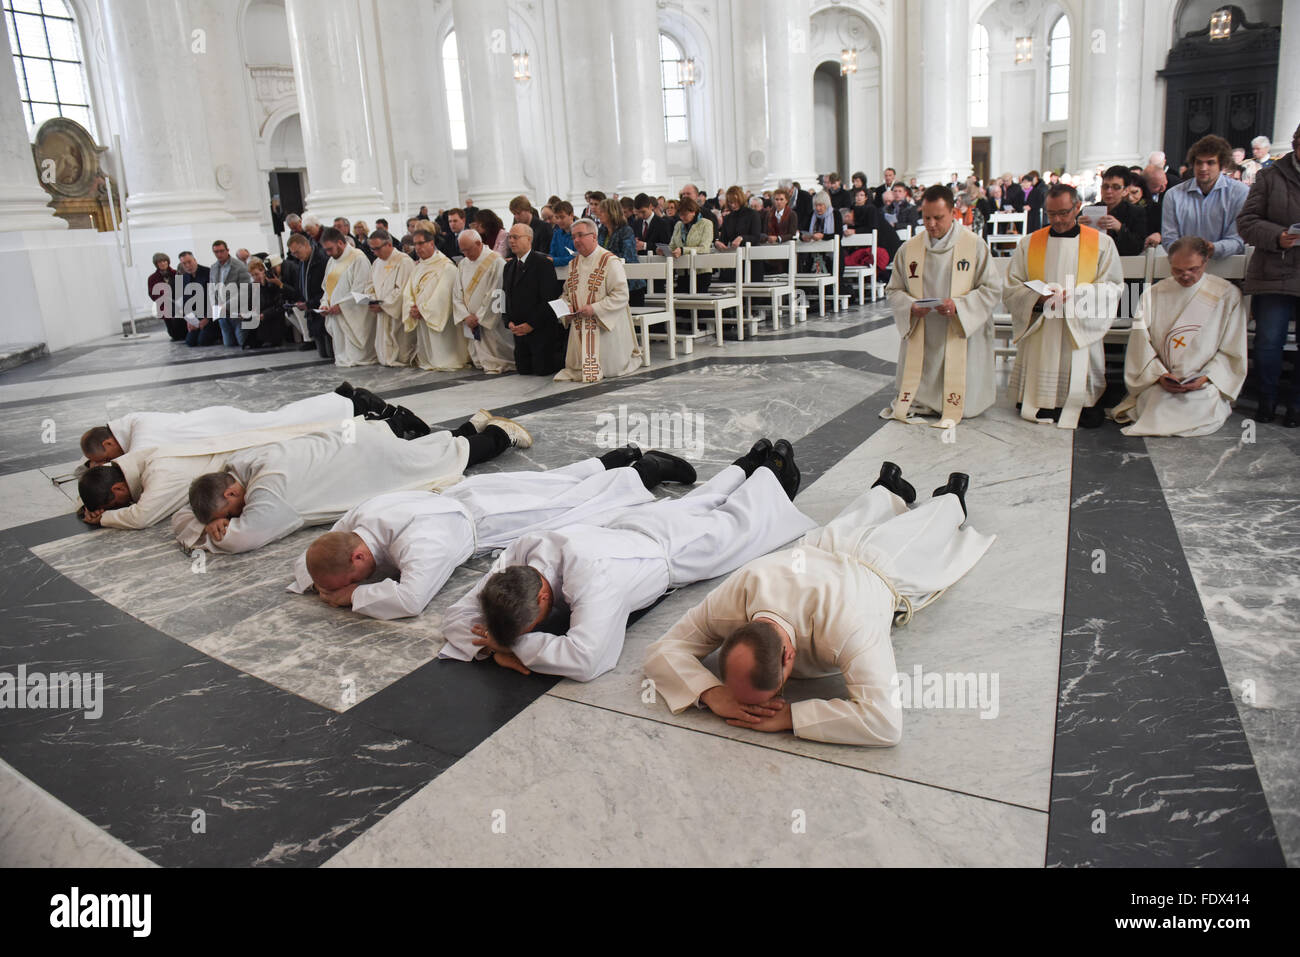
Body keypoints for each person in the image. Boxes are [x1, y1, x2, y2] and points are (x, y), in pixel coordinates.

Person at [643, 462, 993, 745]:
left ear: (789, 658)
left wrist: (789, 718)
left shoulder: (848, 625)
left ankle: (950, 498)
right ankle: (890, 489)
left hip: (879, 567)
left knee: (923, 531)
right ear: (735, 629)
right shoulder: (737, 594)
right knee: (852, 521)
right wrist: (714, 693)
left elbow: (886, 723)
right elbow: (662, 650)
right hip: (823, 549)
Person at [438, 441, 812, 680]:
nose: (531, 631)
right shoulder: (519, 555)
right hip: (637, 526)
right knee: (702, 501)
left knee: (740, 525)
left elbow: (587, 659)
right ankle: (749, 461)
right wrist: (493, 644)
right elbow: (455, 617)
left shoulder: (589, 579)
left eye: (531, 625)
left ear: (541, 600)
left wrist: (509, 648)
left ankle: (776, 467)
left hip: (674, 551)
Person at [290, 447, 676, 619]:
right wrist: (317, 580)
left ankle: (646, 471)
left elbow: (410, 600)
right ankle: (616, 457)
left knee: (570, 504)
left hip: (490, 518)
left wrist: (354, 594)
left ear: (359, 557)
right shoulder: (361, 517)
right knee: (547, 482)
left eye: (358, 574)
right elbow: (325, 549)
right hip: (467, 495)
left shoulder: (419, 544)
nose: (361, 579)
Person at [176, 410, 532, 554]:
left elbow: (243, 539)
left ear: (231, 490)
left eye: (231, 509)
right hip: (358, 443)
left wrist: (211, 532)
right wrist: (212, 516)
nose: (236, 515)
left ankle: (501, 435)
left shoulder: (270, 491)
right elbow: (193, 507)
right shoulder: (243, 462)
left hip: (369, 460)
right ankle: (473, 424)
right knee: (422, 453)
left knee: (446, 460)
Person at [76, 387, 390, 530]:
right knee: (293, 426)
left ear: (119, 490)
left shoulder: (157, 471)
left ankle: (359, 411)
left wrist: (104, 517)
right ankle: (347, 406)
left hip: (239, 445)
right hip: (230, 439)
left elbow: (143, 516)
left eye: (119, 503)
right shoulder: (142, 458)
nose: (125, 505)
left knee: (297, 430)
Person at [1004, 183, 1124, 429]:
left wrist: (1077, 296)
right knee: (1036, 396)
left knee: (1084, 405)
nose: (1057, 220)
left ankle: (1081, 402)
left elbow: (1112, 286)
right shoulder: (1030, 243)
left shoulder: (1101, 243)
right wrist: (1037, 298)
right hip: (1043, 324)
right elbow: (1011, 285)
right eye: (1052, 214)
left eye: (1064, 213)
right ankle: (1041, 400)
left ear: (1078, 207)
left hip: (1078, 323)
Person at [883, 185, 1003, 426]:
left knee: (962, 397)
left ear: (953, 212)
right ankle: (924, 400)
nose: (931, 224)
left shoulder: (975, 246)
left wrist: (959, 306)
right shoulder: (909, 249)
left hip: (959, 329)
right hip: (924, 330)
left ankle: (959, 400)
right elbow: (893, 290)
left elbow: (992, 289)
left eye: (938, 217)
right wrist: (910, 306)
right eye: (926, 217)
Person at [1109, 236, 1247, 436]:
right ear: (1169, 264)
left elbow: (1232, 349)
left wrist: (1206, 377)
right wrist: (1158, 374)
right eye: (1178, 270)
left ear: (1205, 262)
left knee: (1200, 404)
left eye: (1193, 269)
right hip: (1162, 381)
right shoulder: (1153, 294)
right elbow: (1141, 344)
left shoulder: (1227, 294)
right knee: (1155, 403)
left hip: (1203, 384)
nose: (1186, 276)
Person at [78, 388, 362, 466]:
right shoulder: (131, 421)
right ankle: (339, 401)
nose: (109, 462)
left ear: (108, 443)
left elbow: (134, 462)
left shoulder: (140, 434)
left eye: (105, 458)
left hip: (224, 426)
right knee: (279, 420)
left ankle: (344, 404)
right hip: (216, 421)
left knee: (281, 422)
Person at [1237, 122, 1300, 425]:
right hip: (1275, 270)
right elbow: (1246, 222)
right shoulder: (1270, 176)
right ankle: (1266, 400)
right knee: (1268, 341)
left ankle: (1296, 406)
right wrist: (1278, 236)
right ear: (1295, 144)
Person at [555, 218, 642, 382]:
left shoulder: (609, 261)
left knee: (611, 369)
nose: (576, 240)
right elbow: (566, 293)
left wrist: (595, 309)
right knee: (576, 369)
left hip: (604, 325)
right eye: (573, 237)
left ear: (594, 236)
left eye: (580, 235)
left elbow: (621, 294)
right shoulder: (573, 264)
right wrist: (567, 309)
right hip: (581, 324)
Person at [1161, 134, 1249, 259]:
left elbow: (1238, 239)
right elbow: (1169, 238)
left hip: (1227, 266)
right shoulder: (1173, 195)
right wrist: (1187, 253)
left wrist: (1214, 248)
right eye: (1199, 163)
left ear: (1222, 165)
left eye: (1210, 163)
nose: (1203, 168)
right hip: (1183, 265)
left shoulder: (1240, 192)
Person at [503, 223, 566, 377]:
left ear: (529, 239)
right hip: (519, 333)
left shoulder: (543, 264)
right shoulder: (509, 266)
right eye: (510, 237)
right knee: (523, 371)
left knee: (541, 371)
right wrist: (508, 321)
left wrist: (531, 325)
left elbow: (549, 299)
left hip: (540, 333)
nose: (511, 241)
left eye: (516, 237)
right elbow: (506, 296)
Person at [402, 224, 466, 371]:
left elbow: (442, 296)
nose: (417, 248)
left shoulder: (446, 266)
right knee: (428, 356)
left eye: (420, 243)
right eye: (415, 244)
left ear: (431, 243)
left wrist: (423, 310)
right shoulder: (418, 267)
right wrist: (411, 307)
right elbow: (408, 292)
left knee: (443, 357)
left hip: (438, 318)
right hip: (421, 316)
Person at [453, 228, 514, 374]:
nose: (466, 254)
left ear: (478, 243)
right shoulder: (463, 264)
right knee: (478, 357)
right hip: (470, 319)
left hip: (489, 319)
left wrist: (479, 317)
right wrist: (465, 316)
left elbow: (496, 292)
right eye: (463, 251)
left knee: (495, 357)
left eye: (468, 250)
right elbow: (457, 293)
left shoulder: (495, 261)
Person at [317, 227, 377, 367]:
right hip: (336, 314)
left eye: (330, 249)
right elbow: (327, 287)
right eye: (325, 250)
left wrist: (341, 306)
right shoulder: (332, 260)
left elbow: (361, 291)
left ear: (340, 243)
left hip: (352, 314)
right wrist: (325, 304)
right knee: (342, 356)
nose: (328, 253)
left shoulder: (358, 258)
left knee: (355, 358)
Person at [364, 228, 417, 367]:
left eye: (377, 248)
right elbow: (370, 286)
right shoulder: (376, 263)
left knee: (401, 352)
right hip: (382, 310)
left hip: (396, 313)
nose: (375, 253)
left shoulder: (403, 261)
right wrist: (372, 299)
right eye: (372, 249)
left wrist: (383, 305)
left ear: (388, 244)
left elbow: (403, 290)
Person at [1079, 165, 1146, 256]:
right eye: (1105, 187)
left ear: (1125, 191)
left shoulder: (1136, 212)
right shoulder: (1088, 210)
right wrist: (1077, 227)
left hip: (1124, 262)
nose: (1109, 191)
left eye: (1116, 187)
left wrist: (1119, 228)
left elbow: (1137, 247)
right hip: (1091, 259)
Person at [285, 233, 331, 357]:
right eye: (293, 253)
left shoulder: (322, 260)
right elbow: (302, 286)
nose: (295, 255)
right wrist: (301, 301)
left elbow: (326, 288)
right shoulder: (302, 262)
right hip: (311, 312)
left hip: (322, 309)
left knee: (330, 352)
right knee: (322, 354)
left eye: (297, 252)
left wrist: (309, 303)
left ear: (306, 245)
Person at [595, 197, 644, 306]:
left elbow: (627, 257)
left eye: (602, 211)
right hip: (609, 281)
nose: (599, 214)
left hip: (629, 284)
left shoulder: (626, 230)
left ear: (611, 212)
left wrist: (604, 257)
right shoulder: (602, 230)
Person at [209, 240, 252, 347]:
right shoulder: (213, 267)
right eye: (216, 252)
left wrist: (226, 306)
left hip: (237, 311)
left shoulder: (239, 266)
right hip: (222, 313)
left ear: (227, 250)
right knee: (229, 345)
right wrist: (215, 306)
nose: (219, 254)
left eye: (221, 251)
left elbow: (245, 290)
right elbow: (212, 289)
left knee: (242, 343)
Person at [669, 195, 714, 293]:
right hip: (683, 271)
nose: (682, 217)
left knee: (698, 304)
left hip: (701, 272)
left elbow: (704, 248)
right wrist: (665, 250)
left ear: (693, 211)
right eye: (680, 214)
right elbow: (673, 245)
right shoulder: (678, 225)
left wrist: (683, 250)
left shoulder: (706, 224)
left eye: (684, 214)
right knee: (680, 304)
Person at [174, 251, 219, 347]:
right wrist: (189, 321)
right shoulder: (184, 278)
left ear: (195, 260)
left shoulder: (209, 273)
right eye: (184, 264)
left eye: (189, 262)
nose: (187, 266)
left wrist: (207, 318)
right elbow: (185, 302)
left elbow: (215, 298)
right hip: (196, 317)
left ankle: (217, 335)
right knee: (190, 342)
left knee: (202, 341)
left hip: (211, 316)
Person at [243, 257, 287, 348]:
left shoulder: (272, 284)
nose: (255, 277)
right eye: (253, 275)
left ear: (263, 271)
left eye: (257, 274)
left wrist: (264, 314)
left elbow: (279, 305)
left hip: (272, 316)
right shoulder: (253, 286)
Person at [147, 253, 185, 341]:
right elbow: (152, 293)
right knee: (173, 334)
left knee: (182, 329)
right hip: (165, 306)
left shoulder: (176, 273)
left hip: (178, 305)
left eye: (164, 261)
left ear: (168, 262)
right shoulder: (152, 278)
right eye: (159, 262)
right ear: (156, 264)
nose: (163, 263)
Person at [549, 201, 578, 267]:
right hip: (559, 273)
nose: (559, 221)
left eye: (562, 217)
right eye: (556, 218)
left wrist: (555, 261)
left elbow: (577, 256)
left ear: (571, 215)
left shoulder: (580, 232)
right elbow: (552, 253)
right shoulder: (556, 234)